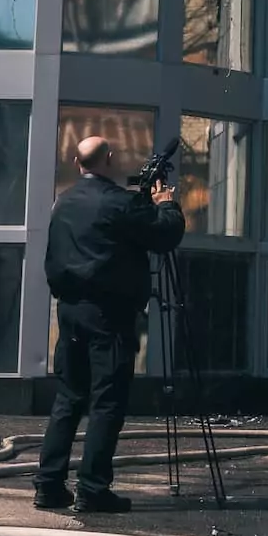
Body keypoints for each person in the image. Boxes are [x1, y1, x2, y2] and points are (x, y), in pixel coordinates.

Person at [34, 135, 184, 513]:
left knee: (68, 399)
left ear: (76, 160)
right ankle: (92, 489)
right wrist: (166, 204)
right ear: (110, 159)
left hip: (69, 311)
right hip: (109, 315)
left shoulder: (61, 202)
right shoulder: (120, 202)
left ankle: (49, 486)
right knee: (107, 402)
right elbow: (164, 236)